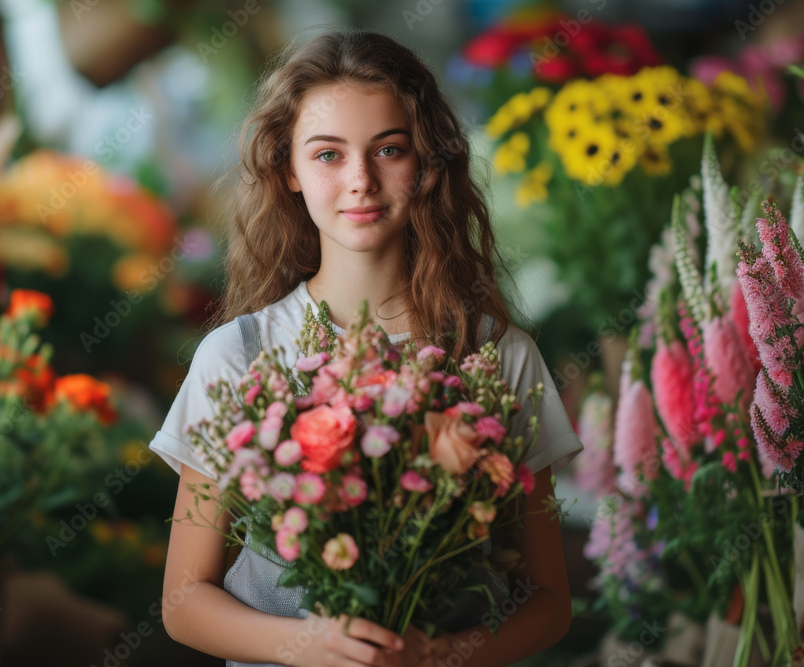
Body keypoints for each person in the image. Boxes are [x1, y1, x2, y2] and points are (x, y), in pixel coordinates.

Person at [150, 28, 584, 667]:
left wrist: (442, 655)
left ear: (428, 163)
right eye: (327, 154)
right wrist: (311, 647)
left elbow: (548, 600)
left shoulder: (498, 355)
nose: (361, 180)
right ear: (288, 170)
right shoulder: (236, 355)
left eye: (389, 149)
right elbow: (184, 602)